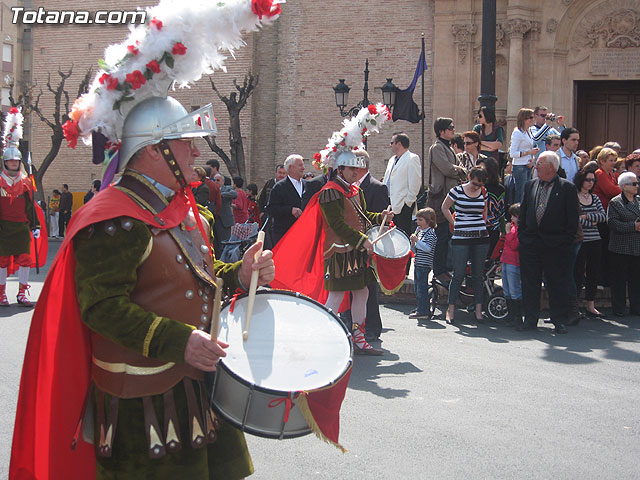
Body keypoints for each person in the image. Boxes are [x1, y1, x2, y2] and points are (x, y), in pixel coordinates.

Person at [12, 96, 276, 479]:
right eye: (187, 142)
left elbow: (190, 274)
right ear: (156, 150)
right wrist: (179, 340)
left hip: (198, 387)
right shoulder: (115, 218)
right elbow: (101, 307)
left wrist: (241, 272)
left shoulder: (180, 208)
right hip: (143, 407)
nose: (196, 151)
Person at [517, 151, 579, 334]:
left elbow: (572, 220)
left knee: (556, 283)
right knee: (530, 282)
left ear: (552, 167)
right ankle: (530, 319)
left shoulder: (567, 188)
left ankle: (558, 319)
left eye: (540, 164)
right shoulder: (530, 185)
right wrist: (523, 237)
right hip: (531, 244)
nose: (536, 166)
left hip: (556, 245)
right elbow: (523, 213)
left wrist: (564, 242)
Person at [0, 110, 42, 307]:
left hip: (21, 227)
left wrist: (35, 225)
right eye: (10, 161)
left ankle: (22, 293)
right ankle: (1, 293)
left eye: (16, 161)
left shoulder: (26, 182)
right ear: (5, 162)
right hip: (3, 228)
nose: (13, 163)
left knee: (25, 259)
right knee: (2, 261)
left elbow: (29, 206)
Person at [441, 166, 490, 325]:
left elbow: (485, 212)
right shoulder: (457, 191)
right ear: (469, 177)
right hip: (461, 236)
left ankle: (478, 309)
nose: (477, 187)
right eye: (475, 183)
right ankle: (451, 308)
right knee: (459, 273)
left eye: (480, 184)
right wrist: (454, 223)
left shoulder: (483, 192)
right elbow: (444, 207)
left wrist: (483, 224)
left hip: (480, 236)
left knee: (477, 274)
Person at [354, 153, 390, 341]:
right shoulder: (350, 188)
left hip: (369, 245)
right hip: (353, 245)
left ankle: (373, 326)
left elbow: (378, 222)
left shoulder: (378, 187)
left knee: (369, 287)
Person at [426, 117, 467, 280]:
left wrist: (457, 169)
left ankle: (443, 268)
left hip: (449, 198)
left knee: (446, 235)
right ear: (441, 131)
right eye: (450, 127)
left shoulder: (446, 147)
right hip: (439, 198)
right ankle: (439, 271)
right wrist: (461, 170)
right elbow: (448, 169)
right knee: (441, 236)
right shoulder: (436, 148)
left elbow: (452, 169)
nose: (453, 130)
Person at [573, 168, 606, 318]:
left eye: (593, 180)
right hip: (580, 240)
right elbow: (574, 219)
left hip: (595, 240)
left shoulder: (596, 198)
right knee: (578, 272)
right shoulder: (574, 197)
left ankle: (590, 305)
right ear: (581, 180)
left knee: (593, 272)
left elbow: (603, 217)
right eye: (588, 180)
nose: (590, 183)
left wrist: (586, 216)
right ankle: (575, 305)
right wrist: (590, 219)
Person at [606, 172, 640, 317]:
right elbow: (613, 223)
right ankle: (618, 308)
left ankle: (636, 307)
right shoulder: (616, 202)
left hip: (637, 247)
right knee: (619, 279)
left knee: (636, 279)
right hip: (621, 247)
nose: (637, 186)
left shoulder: (639, 201)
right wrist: (633, 226)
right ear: (624, 186)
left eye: (637, 183)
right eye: (634, 184)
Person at [382, 132, 421, 237]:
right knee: (390, 234)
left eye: (392, 143)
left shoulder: (412, 158)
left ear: (399, 144)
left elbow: (415, 183)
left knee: (403, 235)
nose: (390, 145)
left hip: (402, 205)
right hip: (389, 204)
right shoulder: (391, 160)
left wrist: (407, 203)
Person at [592, 147, 620, 287]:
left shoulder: (611, 175)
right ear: (602, 161)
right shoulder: (600, 173)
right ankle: (600, 279)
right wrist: (624, 188)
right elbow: (611, 191)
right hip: (600, 216)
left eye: (615, 160)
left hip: (609, 215)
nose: (613, 163)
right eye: (610, 160)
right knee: (601, 250)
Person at [267, 154, 306, 245]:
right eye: (300, 165)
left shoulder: (308, 185)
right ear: (291, 168)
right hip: (284, 234)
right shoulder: (279, 187)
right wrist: (290, 210)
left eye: (303, 165)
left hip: (304, 234)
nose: (303, 168)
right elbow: (272, 209)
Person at [409, 208, 437, 320]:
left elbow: (428, 248)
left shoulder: (431, 234)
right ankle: (421, 307)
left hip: (424, 265)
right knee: (417, 288)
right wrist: (413, 243)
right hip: (418, 263)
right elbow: (416, 249)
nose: (417, 222)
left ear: (428, 221)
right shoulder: (420, 232)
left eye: (420, 220)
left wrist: (417, 241)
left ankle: (423, 311)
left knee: (421, 288)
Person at [509, 108, 538, 203]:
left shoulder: (529, 132)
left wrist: (532, 158)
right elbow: (512, 153)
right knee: (520, 193)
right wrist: (529, 153)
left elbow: (531, 148)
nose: (532, 120)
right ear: (524, 119)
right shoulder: (517, 133)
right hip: (520, 166)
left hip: (528, 165)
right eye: (530, 117)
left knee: (527, 193)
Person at [501, 203, 522, 326]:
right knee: (507, 290)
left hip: (514, 262)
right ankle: (510, 314)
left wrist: (508, 233)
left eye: (514, 216)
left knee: (515, 290)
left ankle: (517, 316)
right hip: (506, 261)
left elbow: (514, 246)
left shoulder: (519, 230)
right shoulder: (513, 227)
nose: (512, 219)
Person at [482, 157, 506, 258]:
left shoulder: (480, 188)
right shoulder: (500, 188)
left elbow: (501, 211)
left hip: (487, 229)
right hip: (487, 229)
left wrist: (504, 231)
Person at [213, 173, 237, 244]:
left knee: (224, 242)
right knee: (215, 243)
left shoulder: (227, 188)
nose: (216, 182)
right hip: (215, 219)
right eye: (214, 180)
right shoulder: (212, 189)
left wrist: (220, 195)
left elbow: (234, 194)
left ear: (223, 181)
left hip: (225, 220)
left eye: (218, 180)